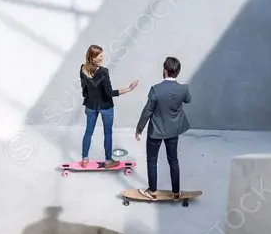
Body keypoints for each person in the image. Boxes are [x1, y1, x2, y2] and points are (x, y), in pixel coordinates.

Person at [134, 56, 191, 200]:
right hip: (173, 130)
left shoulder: (156, 90)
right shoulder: (183, 89)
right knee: (173, 160)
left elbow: (147, 111)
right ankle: (176, 192)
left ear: (165, 70)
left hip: (156, 132)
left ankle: (152, 191)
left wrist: (139, 128)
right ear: (177, 72)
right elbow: (188, 100)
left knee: (152, 161)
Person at [80, 44, 138, 168]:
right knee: (107, 133)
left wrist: (87, 101)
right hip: (105, 107)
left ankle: (84, 159)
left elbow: (84, 89)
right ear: (94, 58)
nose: (103, 56)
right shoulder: (103, 72)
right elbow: (109, 93)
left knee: (88, 132)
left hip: (90, 106)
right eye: (100, 55)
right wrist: (129, 89)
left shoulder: (83, 69)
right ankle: (108, 161)